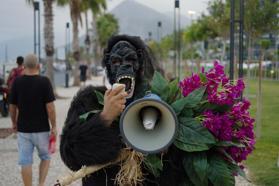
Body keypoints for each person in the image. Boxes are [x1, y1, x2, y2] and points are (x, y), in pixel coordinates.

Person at [60, 35, 186, 186]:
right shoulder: (89, 100)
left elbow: (177, 167)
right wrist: (105, 117)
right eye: (116, 62)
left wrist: (166, 144)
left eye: (130, 60)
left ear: (139, 63)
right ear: (108, 66)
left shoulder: (159, 101)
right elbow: (70, 154)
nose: (124, 66)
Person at [9, 54, 57, 186]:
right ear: (38, 66)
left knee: (25, 161)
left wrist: (14, 123)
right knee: (45, 157)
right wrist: (54, 126)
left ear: (24, 66)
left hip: (23, 130)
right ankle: (41, 184)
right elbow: (51, 108)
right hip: (42, 129)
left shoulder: (17, 82)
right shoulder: (45, 82)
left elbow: (12, 107)